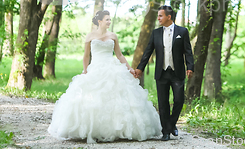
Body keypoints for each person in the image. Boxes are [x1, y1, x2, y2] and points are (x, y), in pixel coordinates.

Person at [48, 10, 162, 144]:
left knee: (118, 97)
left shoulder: (113, 36)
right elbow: (86, 55)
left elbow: (119, 55)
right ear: (100, 21)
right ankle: (93, 129)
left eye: (109, 20)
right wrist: (85, 70)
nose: (109, 22)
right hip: (95, 67)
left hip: (112, 67)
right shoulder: (90, 36)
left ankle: (118, 129)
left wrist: (129, 68)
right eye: (107, 19)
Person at [134, 5, 195, 141]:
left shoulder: (182, 31)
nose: (158, 18)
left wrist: (190, 67)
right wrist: (140, 68)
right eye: (158, 16)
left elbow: (188, 51)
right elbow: (148, 51)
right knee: (163, 103)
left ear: (169, 17)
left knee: (179, 100)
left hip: (177, 72)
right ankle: (166, 132)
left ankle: (171, 124)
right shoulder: (155, 33)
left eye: (160, 16)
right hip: (161, 73)